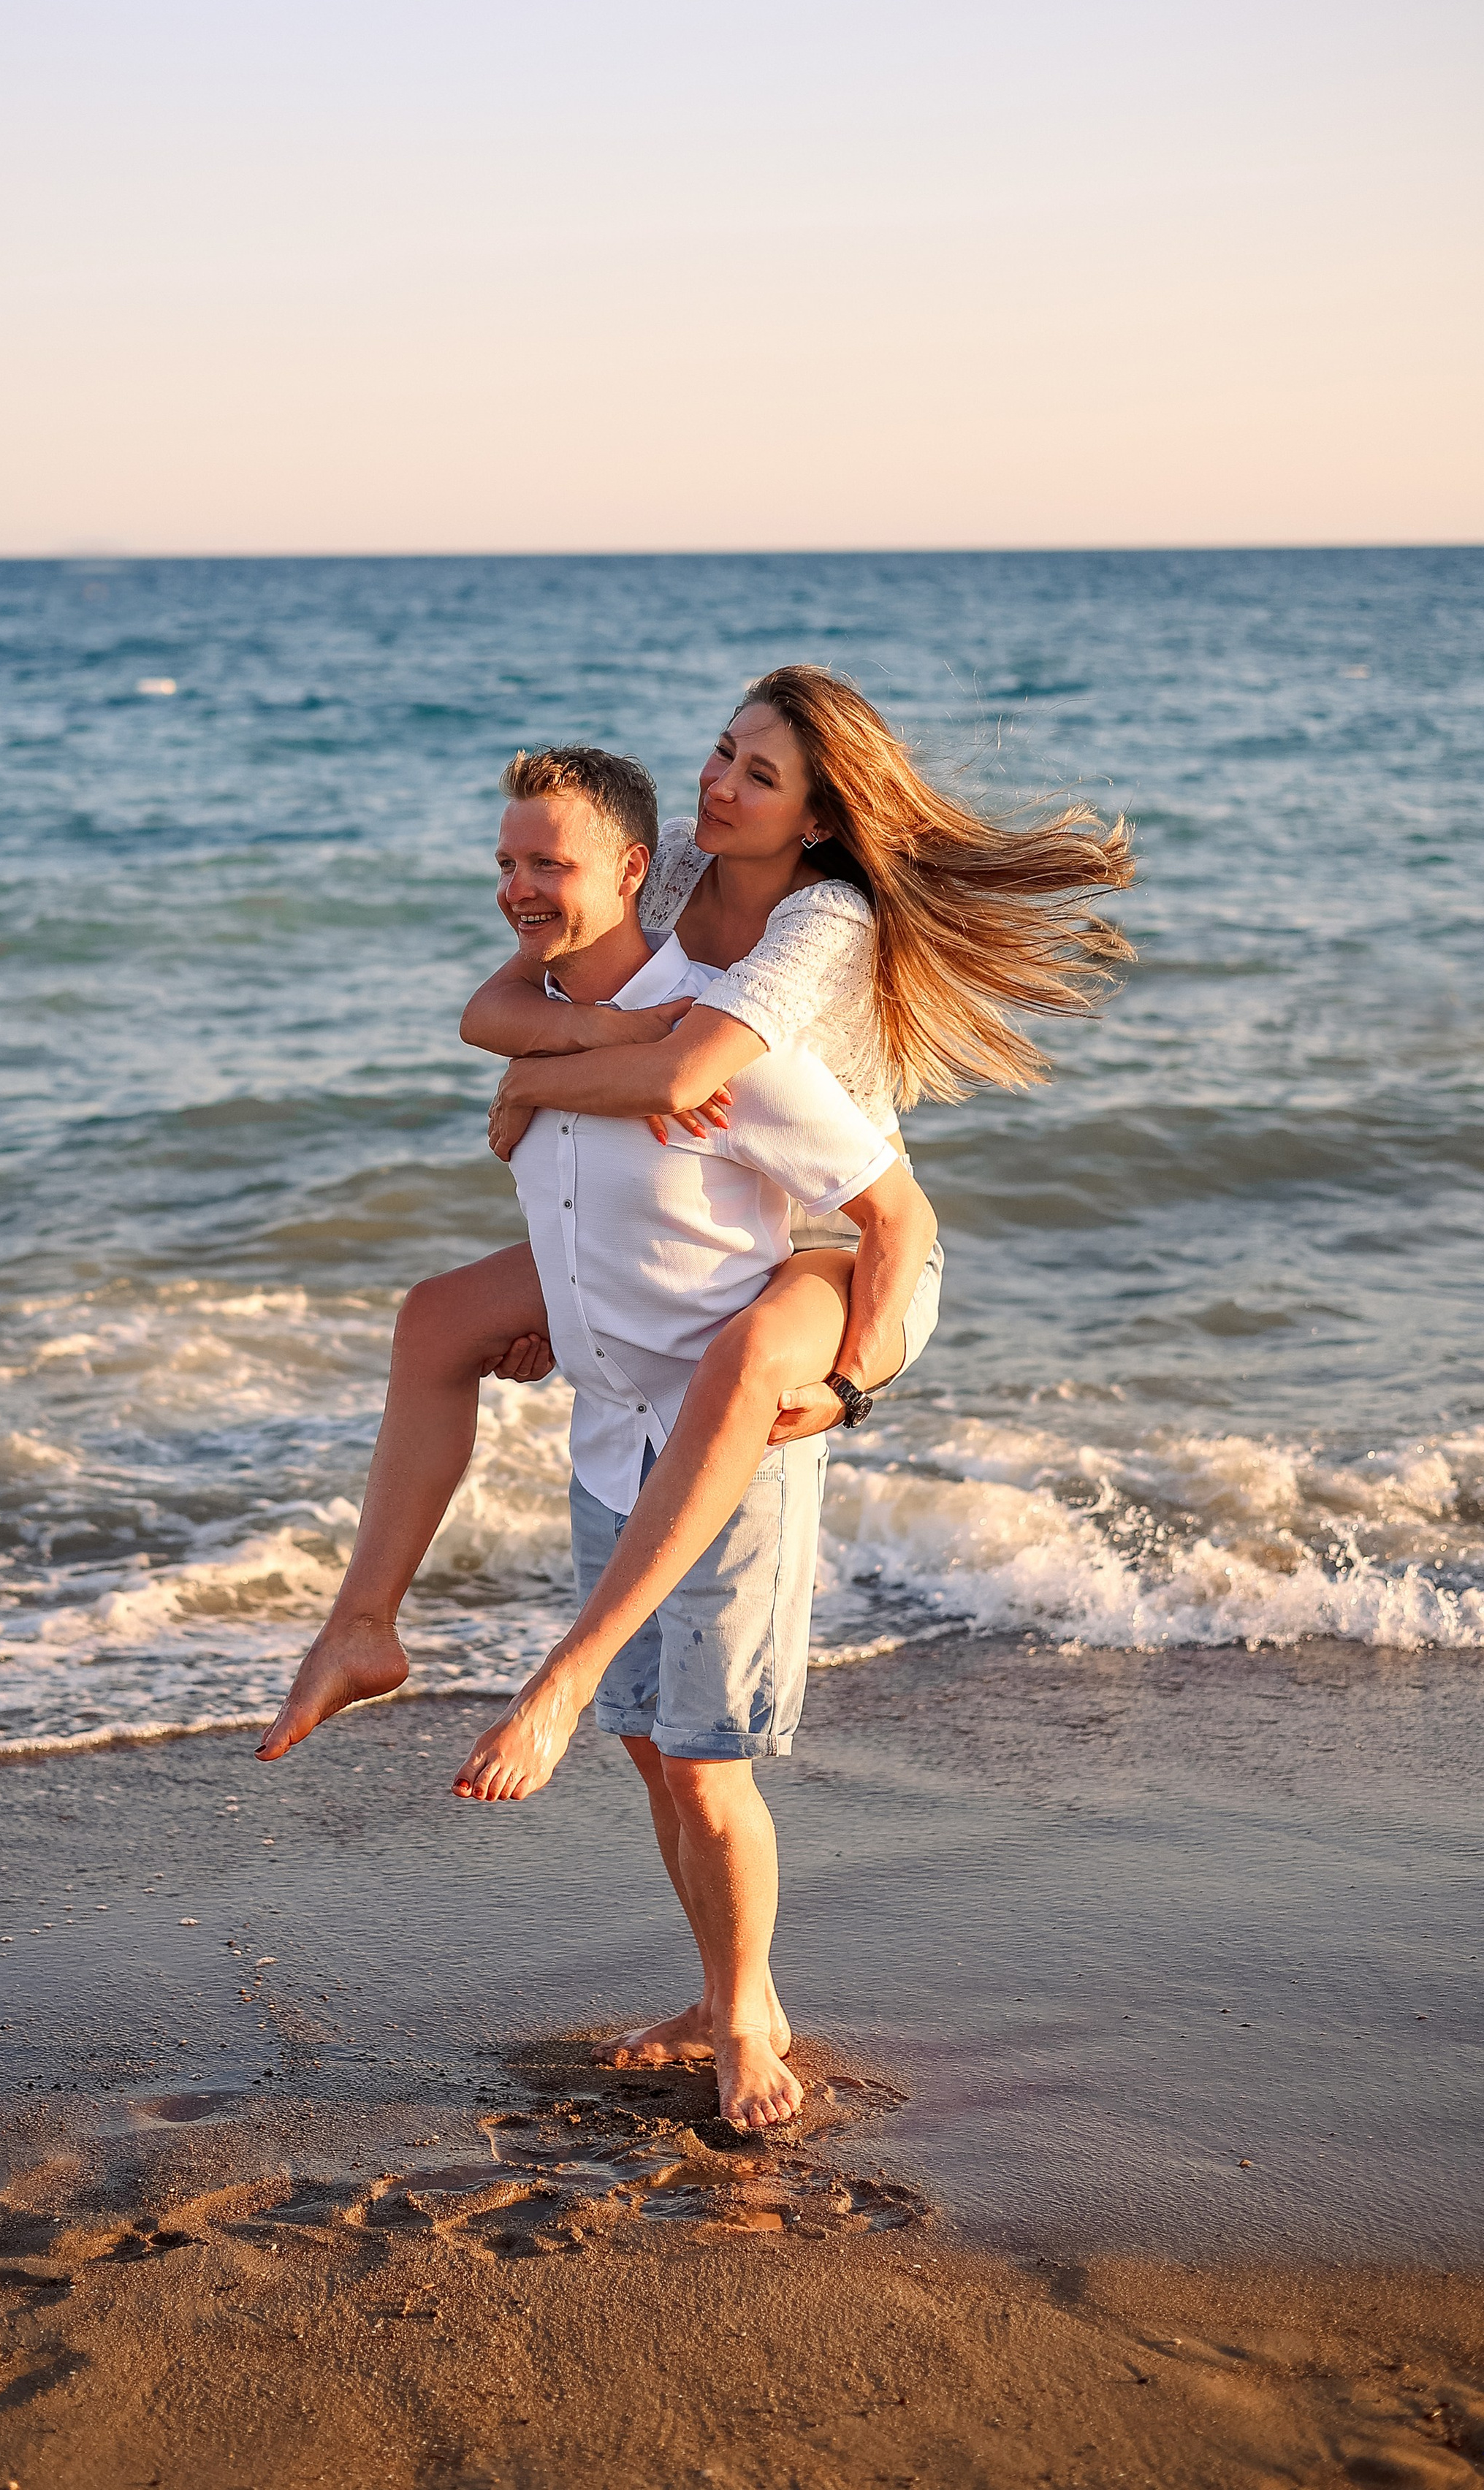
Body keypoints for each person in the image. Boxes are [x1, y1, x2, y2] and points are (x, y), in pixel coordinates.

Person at [258, 666, 1130, 1801]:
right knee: (439, 1320)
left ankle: (567, 1681)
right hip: (709, 1215)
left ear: (817, 816)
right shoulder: (668, 858)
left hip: (839, 1241)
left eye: (758, 776)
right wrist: (565, 1056)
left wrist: (856, 1383)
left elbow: (686, 1077)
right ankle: (361, 1628)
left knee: (750, 1356)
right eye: (724, 750)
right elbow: (500, 1007)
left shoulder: (828, 917)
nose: (718, 786)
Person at [457, 744, 924, 2128]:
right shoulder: (557, 1021)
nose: (520, 887)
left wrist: (848, 1384)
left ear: (630, 873)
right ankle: (736, 1992)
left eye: (549, 863)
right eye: (505, 863)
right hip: (613, 1433)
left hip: (739, 1435)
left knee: (709, 1759)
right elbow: (555, 1183)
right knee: (659, 1752)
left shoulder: (730, 1035)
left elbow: (889, 1209)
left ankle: (744, 2027)